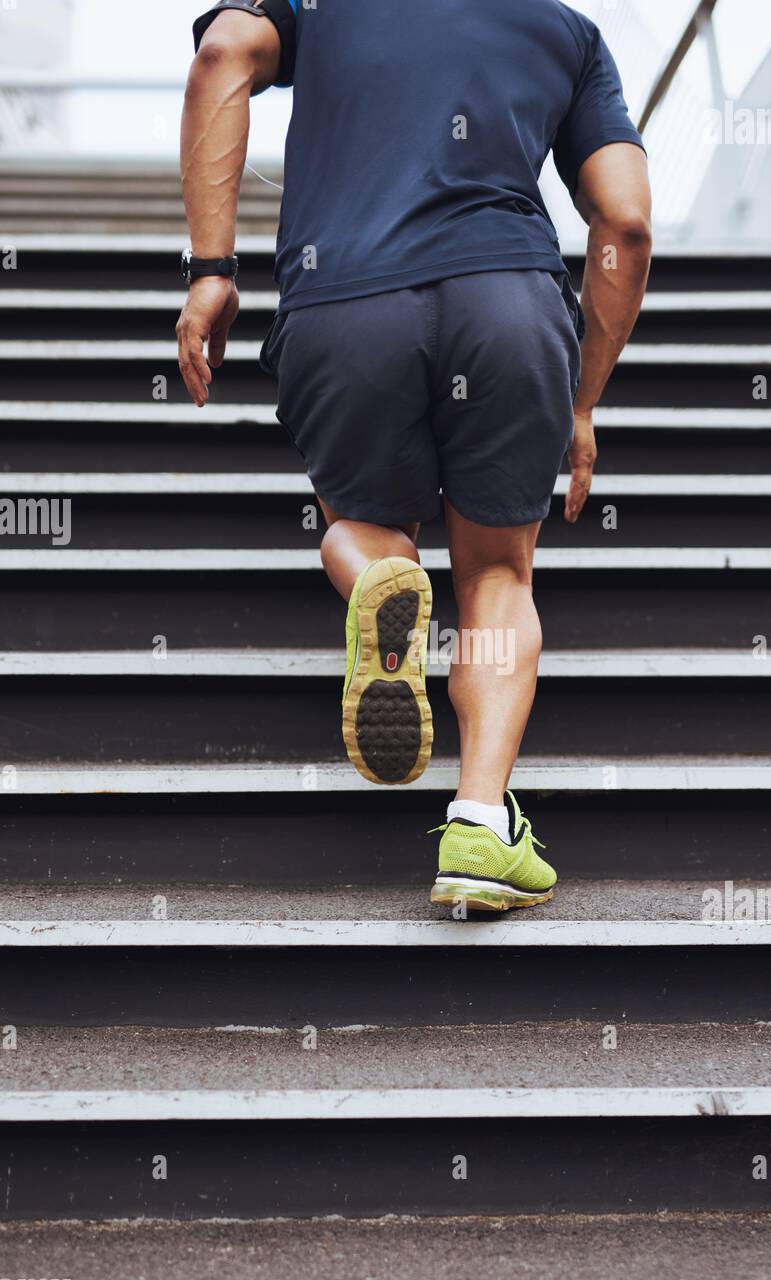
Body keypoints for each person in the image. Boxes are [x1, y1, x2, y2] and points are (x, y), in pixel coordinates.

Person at [177, 0, 652, 912]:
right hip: (506, 303)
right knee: (495, 575)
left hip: (343, 297)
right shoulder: (566, 33)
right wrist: (581, 401)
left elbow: (221, 55)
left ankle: (370, 580)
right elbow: (624, 226)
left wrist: (212, 271)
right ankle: (477, 826)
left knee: (368, 526)